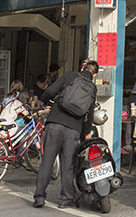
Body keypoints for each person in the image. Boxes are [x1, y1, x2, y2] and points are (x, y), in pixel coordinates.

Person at [33, 60, 99, 209]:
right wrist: (86, 132)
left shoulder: (69, 76)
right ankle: (65, 199)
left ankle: (39, 197)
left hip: (55, 123)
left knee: (47, 161)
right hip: (73, 129)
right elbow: (89, 112)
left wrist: (46, 102)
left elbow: (49, 91)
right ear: (94, 75)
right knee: (68, 165)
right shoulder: (92, 88)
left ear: (82, 68)